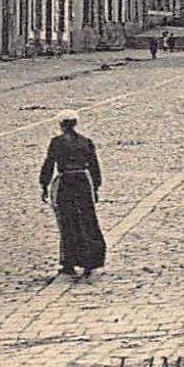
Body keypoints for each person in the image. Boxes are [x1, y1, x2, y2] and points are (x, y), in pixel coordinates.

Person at [39, 112, 106, 277]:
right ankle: (90, 260)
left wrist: (44, 185)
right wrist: (95, 187)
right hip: (83, 181)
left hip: (66, 183)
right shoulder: (86, 142)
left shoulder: (57, 142)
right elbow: (95, 167)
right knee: (87, 221)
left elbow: (49, 163)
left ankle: (69, 262)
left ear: (62, 124)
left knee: (67, 222)